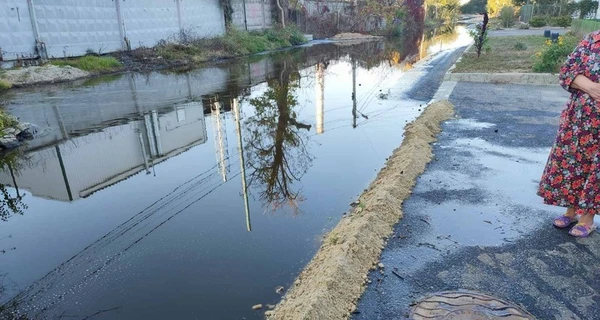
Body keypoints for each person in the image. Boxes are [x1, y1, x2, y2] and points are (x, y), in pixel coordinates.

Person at [538, 30, 600, 238]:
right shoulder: (592, 40)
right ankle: (571, 211)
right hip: (578, 119)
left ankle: (587, 218)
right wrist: (591, 87)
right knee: (573, 162)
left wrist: (582, 82)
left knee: (597, 169)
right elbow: (567, 72)